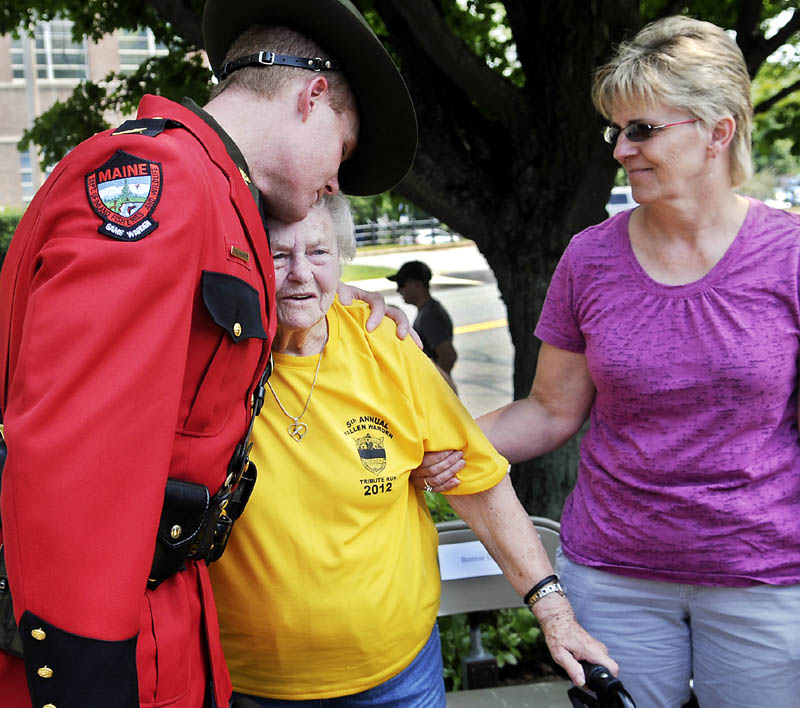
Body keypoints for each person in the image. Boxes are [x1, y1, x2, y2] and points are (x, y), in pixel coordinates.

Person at [0, 1, 417, 706]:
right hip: (107, 630)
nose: (336, 184)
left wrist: (342, 299)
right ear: (312, 97)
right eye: (341, 151)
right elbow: (78, 451)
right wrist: (83, 674)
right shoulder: (161, 180)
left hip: (164, 608)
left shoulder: (212, 192)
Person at [415, 16, 800, 708]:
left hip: (764, 575)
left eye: (643, 130)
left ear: (719, 130)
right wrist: (437, 447)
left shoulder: (791, 255)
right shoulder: (589, 258)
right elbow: (550, 410)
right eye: (615, 131)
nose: (621, 149)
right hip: (616, 575)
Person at [208, 193, 615, 708]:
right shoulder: (207, 356)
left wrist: (554, 613)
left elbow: (481, 486)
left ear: (341, 258)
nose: (299, 274)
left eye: (318, 253)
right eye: (277, 254)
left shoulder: (386, 344)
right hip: (251, 685)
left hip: (398, 680)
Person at [389, 260, 458, 389]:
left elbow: (448, 355)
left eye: (401, 284)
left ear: (417, 285)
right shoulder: (427, 311)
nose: (398, 290)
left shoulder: (430, 316)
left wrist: (438, 385)